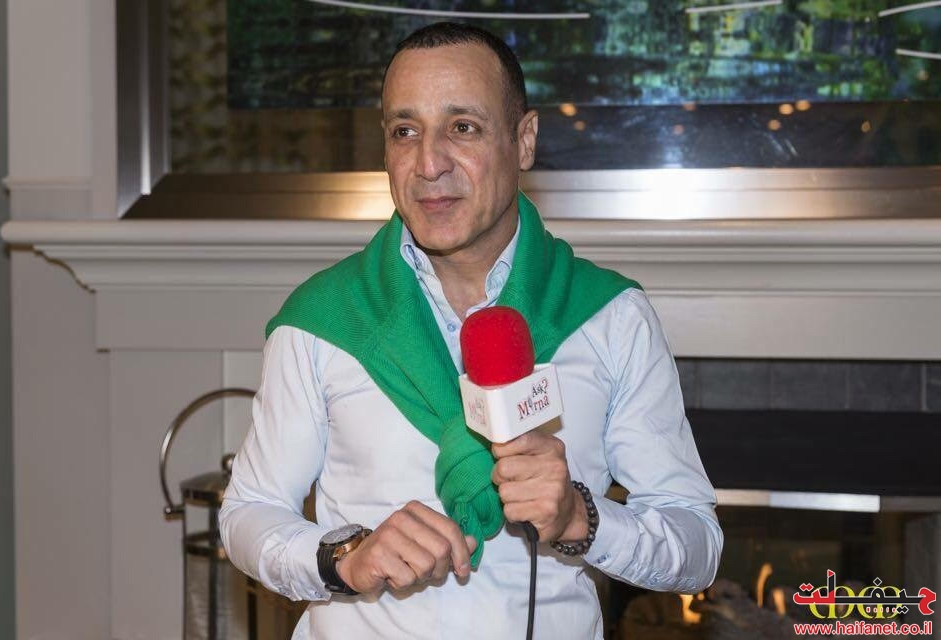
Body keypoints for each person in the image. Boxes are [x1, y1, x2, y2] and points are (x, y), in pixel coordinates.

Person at [220, 22, 723, 639]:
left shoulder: (610, 316)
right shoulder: (322, 320)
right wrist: (344, 558)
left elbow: (696, 546)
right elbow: (248, 513)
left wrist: (581, 519)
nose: (429, 164)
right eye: (405, 131)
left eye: (463, 127)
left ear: (524, 140)